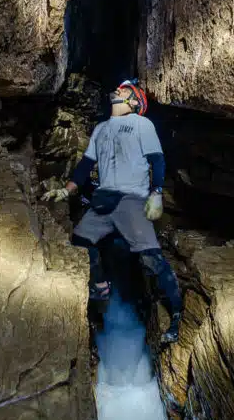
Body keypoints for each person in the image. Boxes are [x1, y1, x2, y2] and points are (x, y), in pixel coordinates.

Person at [41, 79, 183, 344]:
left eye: (125, 90)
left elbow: (157, 160)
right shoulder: (101, 129)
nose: (118, 90)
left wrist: (156, 192)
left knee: (151, 259)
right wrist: (66, 190)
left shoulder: (143, 124)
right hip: (103, 202)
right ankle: (100, 285)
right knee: (80, 243)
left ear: (134, 102)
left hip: (131, 200)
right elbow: (85, 166)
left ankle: (176, 313)